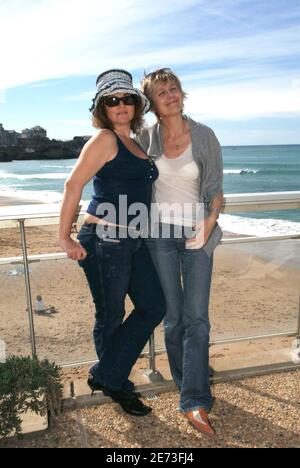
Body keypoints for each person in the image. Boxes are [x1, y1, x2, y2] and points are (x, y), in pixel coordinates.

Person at [59, 69, 165, 417]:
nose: (120, 105)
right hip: (106, 239)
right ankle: (116, 384)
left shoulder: (135, 142)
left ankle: (107, 374)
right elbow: (73, 186)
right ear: (103, 108)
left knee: (154, 305)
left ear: (136, 105)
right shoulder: (104, 140)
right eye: (112, 101)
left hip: (135, 239)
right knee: (111, 315)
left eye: (127, 99)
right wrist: (64, 236)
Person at [138, 68, 224, 435]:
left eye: (174, 88)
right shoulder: (144, 137)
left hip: (197, 232)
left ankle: (194, 400)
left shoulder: (204, 136)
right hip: (159, 235)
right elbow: (129, 179)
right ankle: (187, 379)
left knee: (197, 317)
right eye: (161, 92)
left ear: (182, 93)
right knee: (173, 317)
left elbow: (217, 189)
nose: (170, 94)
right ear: (153, 103)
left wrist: (209, 222)